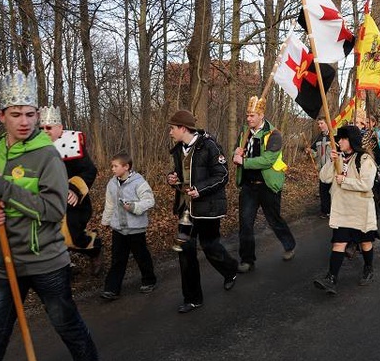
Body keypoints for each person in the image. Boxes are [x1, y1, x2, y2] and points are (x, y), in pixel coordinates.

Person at [0, 71, 108, 361]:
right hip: (4, 260)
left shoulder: (48, 156)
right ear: (1, 116)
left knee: (65, 323)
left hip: (45, 259)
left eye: (30, 113)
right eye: (16, 114)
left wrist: (7, 191)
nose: (25, 121)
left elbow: (51, 209)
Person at [167, 110, 239, 314]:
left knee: (209, 246)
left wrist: (200, 189)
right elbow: (181, 175)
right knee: (184, 251)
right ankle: (192, 298)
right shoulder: (178, 149)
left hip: (207, 209)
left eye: (173, 128)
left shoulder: (209, 145)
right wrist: (171, 178)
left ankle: (230, 269)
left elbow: (222, 175)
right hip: (185, 210)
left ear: (183, 128)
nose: (171, 132)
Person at [233, 96, 296, 273]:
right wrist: (235, 154)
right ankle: (247, 260)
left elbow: (268, 160)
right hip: (248, 186)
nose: (248, 118)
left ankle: (289, 245)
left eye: (252, 115)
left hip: (267, 186)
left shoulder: (274, 134)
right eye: (247, 115)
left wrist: (243, 162)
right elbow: (237, 151)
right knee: (245, 223)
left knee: (274, 219)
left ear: (261, 115)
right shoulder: (244, 131)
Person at [313, 125, 379, 294]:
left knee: (365, 242)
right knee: (339, 242)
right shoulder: (339, 157)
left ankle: (368, 268)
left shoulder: (365, 160)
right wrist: (331, 161)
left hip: (360, 209)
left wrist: (345, 181)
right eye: (339, 138)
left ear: (351, 140)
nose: (339, 141)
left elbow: (366, 184)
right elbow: (324, 178)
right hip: (342, 209)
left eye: (343, 138)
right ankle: (331, 278)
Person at [39, 106, 104, 276]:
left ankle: (94, 247)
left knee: (72, 237)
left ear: (59, 128)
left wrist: (75, 189)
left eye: (49, 128)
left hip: (73, 203)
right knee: (50, 236)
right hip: (47, 202)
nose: (45, 131)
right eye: (41, 128)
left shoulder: (71, 144)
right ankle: (63, 266)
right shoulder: (34, 147)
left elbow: (90, 170)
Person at [100, 152, 157, 300]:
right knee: (117, 259)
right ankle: (112, 289)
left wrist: (134, 207)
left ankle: (149, 280)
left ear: (126, 167)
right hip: (118, 228)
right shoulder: (112, 183)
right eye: (112, 166)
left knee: (141, 256)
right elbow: (110, 204)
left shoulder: (139, 182)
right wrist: (106, 221)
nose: (112, 169)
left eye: (115, 166)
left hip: (135, 228)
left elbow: (149, 201)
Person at [307, 116, 332, 219]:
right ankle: (325, 211)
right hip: (322, 169)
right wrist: (310, 152)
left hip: (332, 168)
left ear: (327, 123)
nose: (320, 126)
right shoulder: (318, 138)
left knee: (333, 191)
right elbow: (315, 154)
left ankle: (334, 211)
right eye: (318, 124)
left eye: (322, 123)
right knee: (323, 191)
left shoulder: (334, 136)